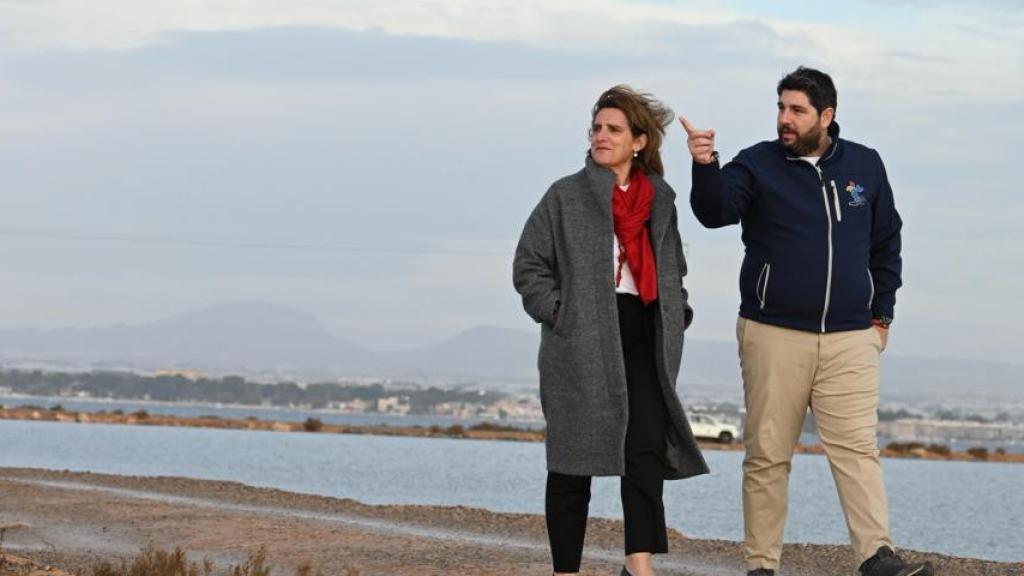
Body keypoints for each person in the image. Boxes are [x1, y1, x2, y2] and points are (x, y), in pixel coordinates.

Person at [681, 66, 934, 576]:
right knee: (768, 455)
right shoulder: (757, 163)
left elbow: (887, 242)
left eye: (796, 110)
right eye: (780, 108)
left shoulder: (864, 164)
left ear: (827, 115)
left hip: (851, 337)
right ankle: (761, 565)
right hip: (773, 334)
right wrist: (706, 165)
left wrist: (881, 315)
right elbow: (714, 212)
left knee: (858, 450)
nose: (784, 120)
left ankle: (875, 556)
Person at [513, 85, 709, 576]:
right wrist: (560, 312)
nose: (601, 136)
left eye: (613, 129)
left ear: (639, 141)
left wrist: (677, 314)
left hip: (644, 332)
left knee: (643, 449)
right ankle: (566, 570)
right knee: (571, 459)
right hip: (579, 337)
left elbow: (675, 268)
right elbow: (529, 265)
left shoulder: (661, 199)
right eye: (597, 128)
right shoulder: (565, 195)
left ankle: (637, 564)